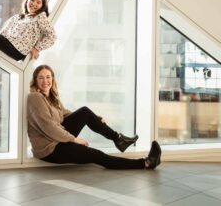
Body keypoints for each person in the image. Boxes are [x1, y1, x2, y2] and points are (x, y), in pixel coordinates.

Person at [27, 65, 161, 170]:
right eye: (41, 78)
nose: (45, 81)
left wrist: (93, 118)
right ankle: (146, 163)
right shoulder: (35, 97)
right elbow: (48, 127)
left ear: (53, 79)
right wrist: (74, 140)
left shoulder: (52, 97)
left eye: (48, 77)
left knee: (85, 112)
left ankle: (118, 139)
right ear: (35, 80)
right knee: (97, 155)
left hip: (57, 140)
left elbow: (66, 114)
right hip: (49, 149)